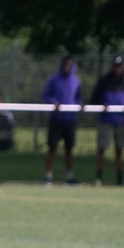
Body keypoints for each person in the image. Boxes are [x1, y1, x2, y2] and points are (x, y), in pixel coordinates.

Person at [90, 56, 124, 186]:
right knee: (102, 148)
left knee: (119, 149)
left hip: (120, 120)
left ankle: (119, 177)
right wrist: (102, 104)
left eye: (120, 66)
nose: (118, 69)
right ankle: (98, 177)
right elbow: (93, 99)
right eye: (116, 66)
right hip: (106, 120)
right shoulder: (104, 80)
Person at [41, 56, 82, 186]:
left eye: (70, 64)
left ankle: (69, 177)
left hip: (70, 120)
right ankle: (48, 176)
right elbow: (46, 95)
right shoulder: (53, 79)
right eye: (65, 64)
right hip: (56, 119)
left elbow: (78, 98)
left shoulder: (76, 80)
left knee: (69, 149)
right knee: (52, 148)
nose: (67, 67)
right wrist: (54, 102)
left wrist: (78, 106)